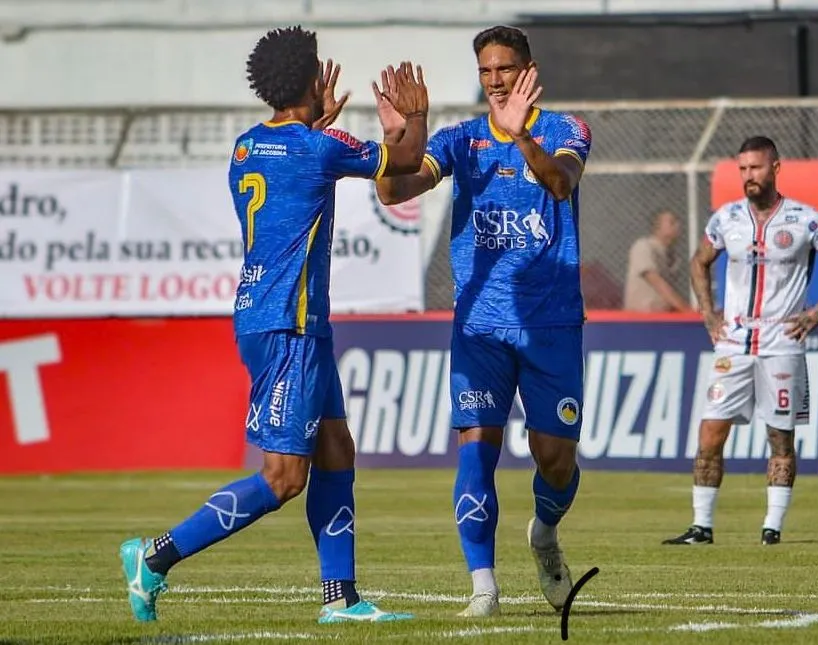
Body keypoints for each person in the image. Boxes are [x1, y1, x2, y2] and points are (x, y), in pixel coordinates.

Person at [119, 26, 430, 624]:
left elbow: (291, 171)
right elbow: (408, 159)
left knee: (336, 449)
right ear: (311, 81)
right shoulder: (321, 147)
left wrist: (314, 123)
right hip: (290, 323)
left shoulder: (245, 147)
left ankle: (340, 599)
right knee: (284, 477)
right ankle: (155, 557)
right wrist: (414, 116)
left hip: (273, 318)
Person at [375, 26, 591, 617]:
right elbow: (395, 192)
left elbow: (561, 182)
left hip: (551, 325)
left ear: (528, 70)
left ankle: (544, 533)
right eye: (486, 71)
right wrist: (400, 138)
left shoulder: (566, 130)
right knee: (476, 449)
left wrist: (523, 139)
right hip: (479, 326)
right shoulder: (460, 141)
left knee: (556, 459)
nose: (495, 81)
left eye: (505, 70)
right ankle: (483, 589)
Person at [663, 136, 818, 546]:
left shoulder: (806, 220)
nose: (748, 177)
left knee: (780, 437)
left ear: (775, 168)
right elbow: (699, 262)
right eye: (742, 169)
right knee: (709, 434)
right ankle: (701, 526)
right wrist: (708, 313)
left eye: (755, 168)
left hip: (782, 344)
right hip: (733, 343)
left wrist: (815, 313)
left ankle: (772, 528)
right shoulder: (726, 218)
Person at [623, 210, 691, 312]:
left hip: (662, 318)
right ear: (657, 227)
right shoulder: (643, 246)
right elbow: (656, 281)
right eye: (672, 223)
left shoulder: (672, 257)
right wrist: (687, 310)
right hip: (639, 319)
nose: (678, 226)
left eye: (678, 223)